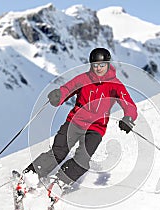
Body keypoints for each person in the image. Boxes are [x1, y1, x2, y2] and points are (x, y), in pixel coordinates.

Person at [23, 48, 138, 201]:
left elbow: (129, 104)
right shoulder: (83, 79)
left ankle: (61, 182)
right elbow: (67, 89)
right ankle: (29, 176)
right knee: (58, 152)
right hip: (74, 123)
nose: (98, 68)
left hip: (95, 129)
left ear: (108, 64)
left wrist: (128, 117)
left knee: (83, 160)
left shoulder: (115, 85)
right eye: (95, 65)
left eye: (102, 65)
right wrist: (59, 95)